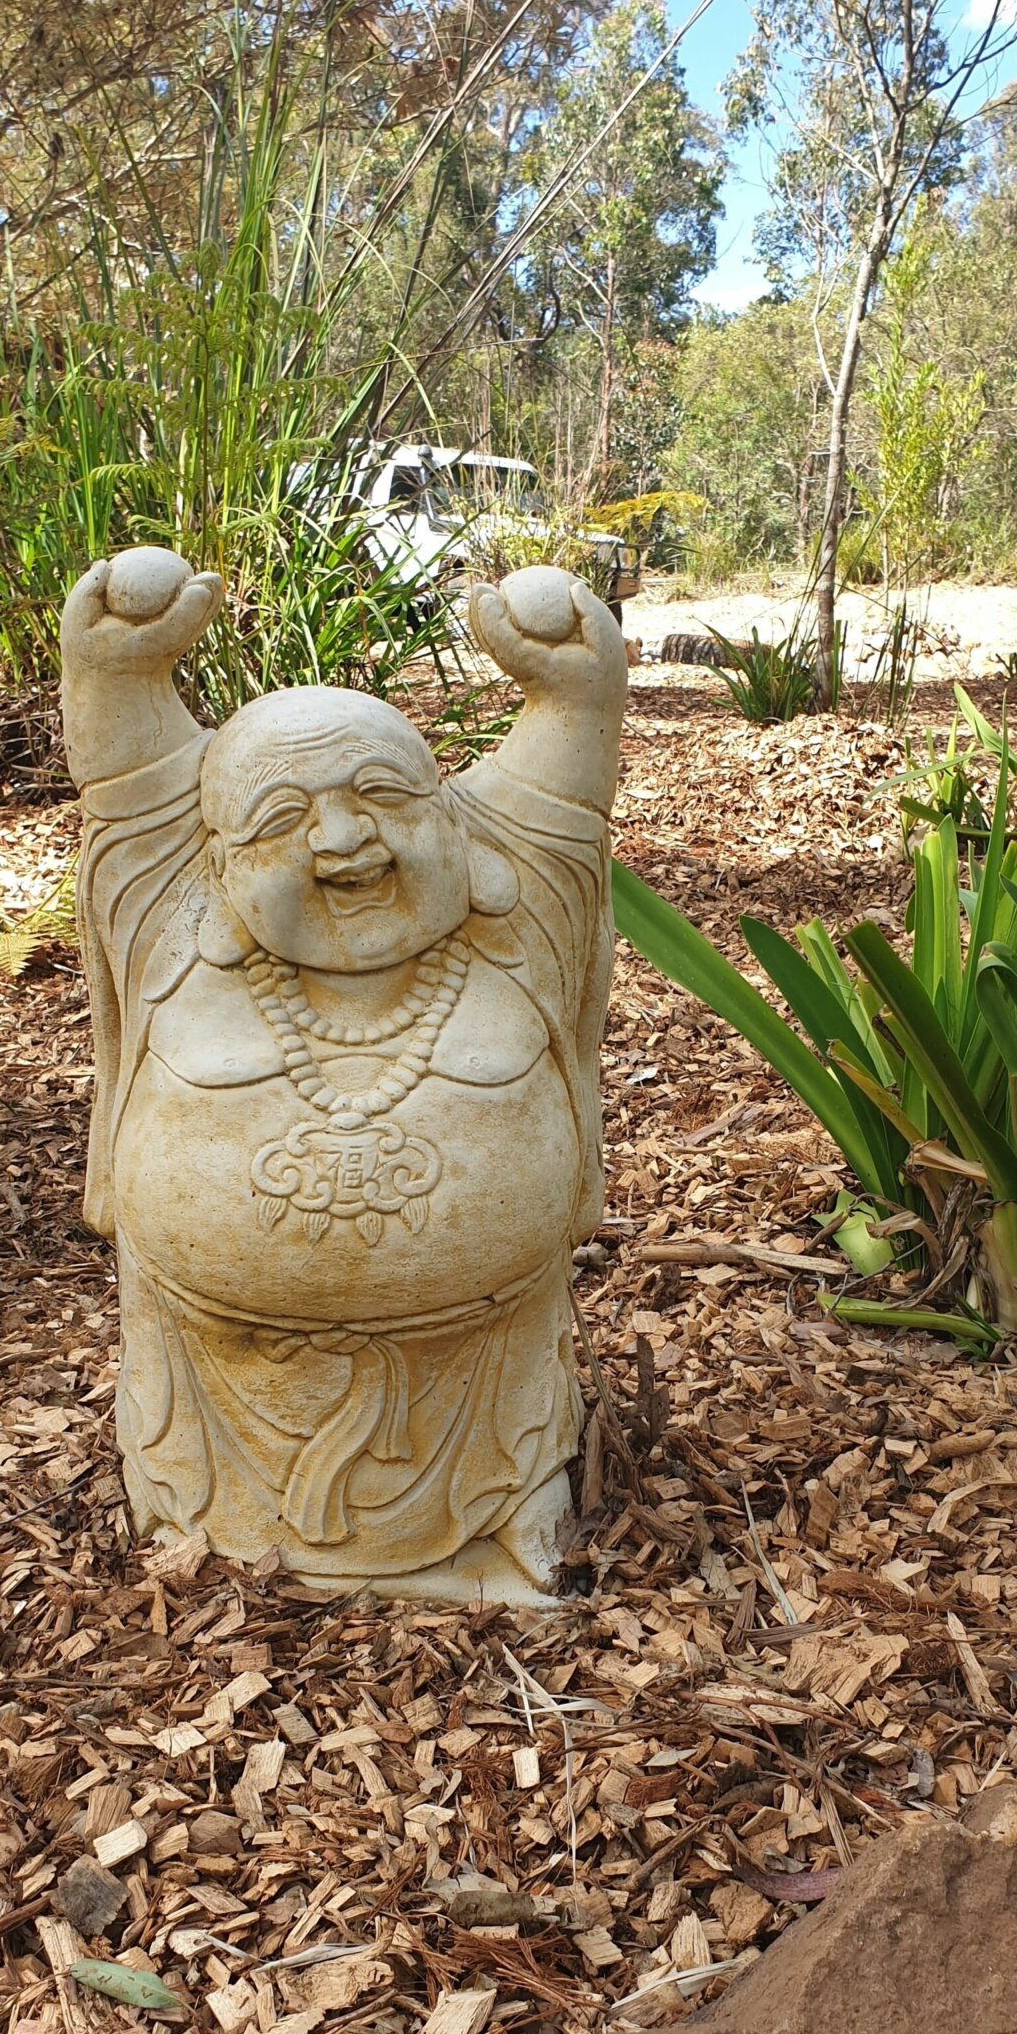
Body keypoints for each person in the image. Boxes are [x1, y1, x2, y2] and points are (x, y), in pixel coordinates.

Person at [61, 550, 625, 1601]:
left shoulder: (519, 906)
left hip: (487, 1395)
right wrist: (112, 671)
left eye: (382, 794)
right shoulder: (170, 906)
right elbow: (126, 788)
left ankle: (502, 1508)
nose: (342, 837)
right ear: (215, 861)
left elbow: (571, 751)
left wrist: (574, 680)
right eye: (281, 818)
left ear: (456, 819)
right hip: (222, 1403)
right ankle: (209, 1520)